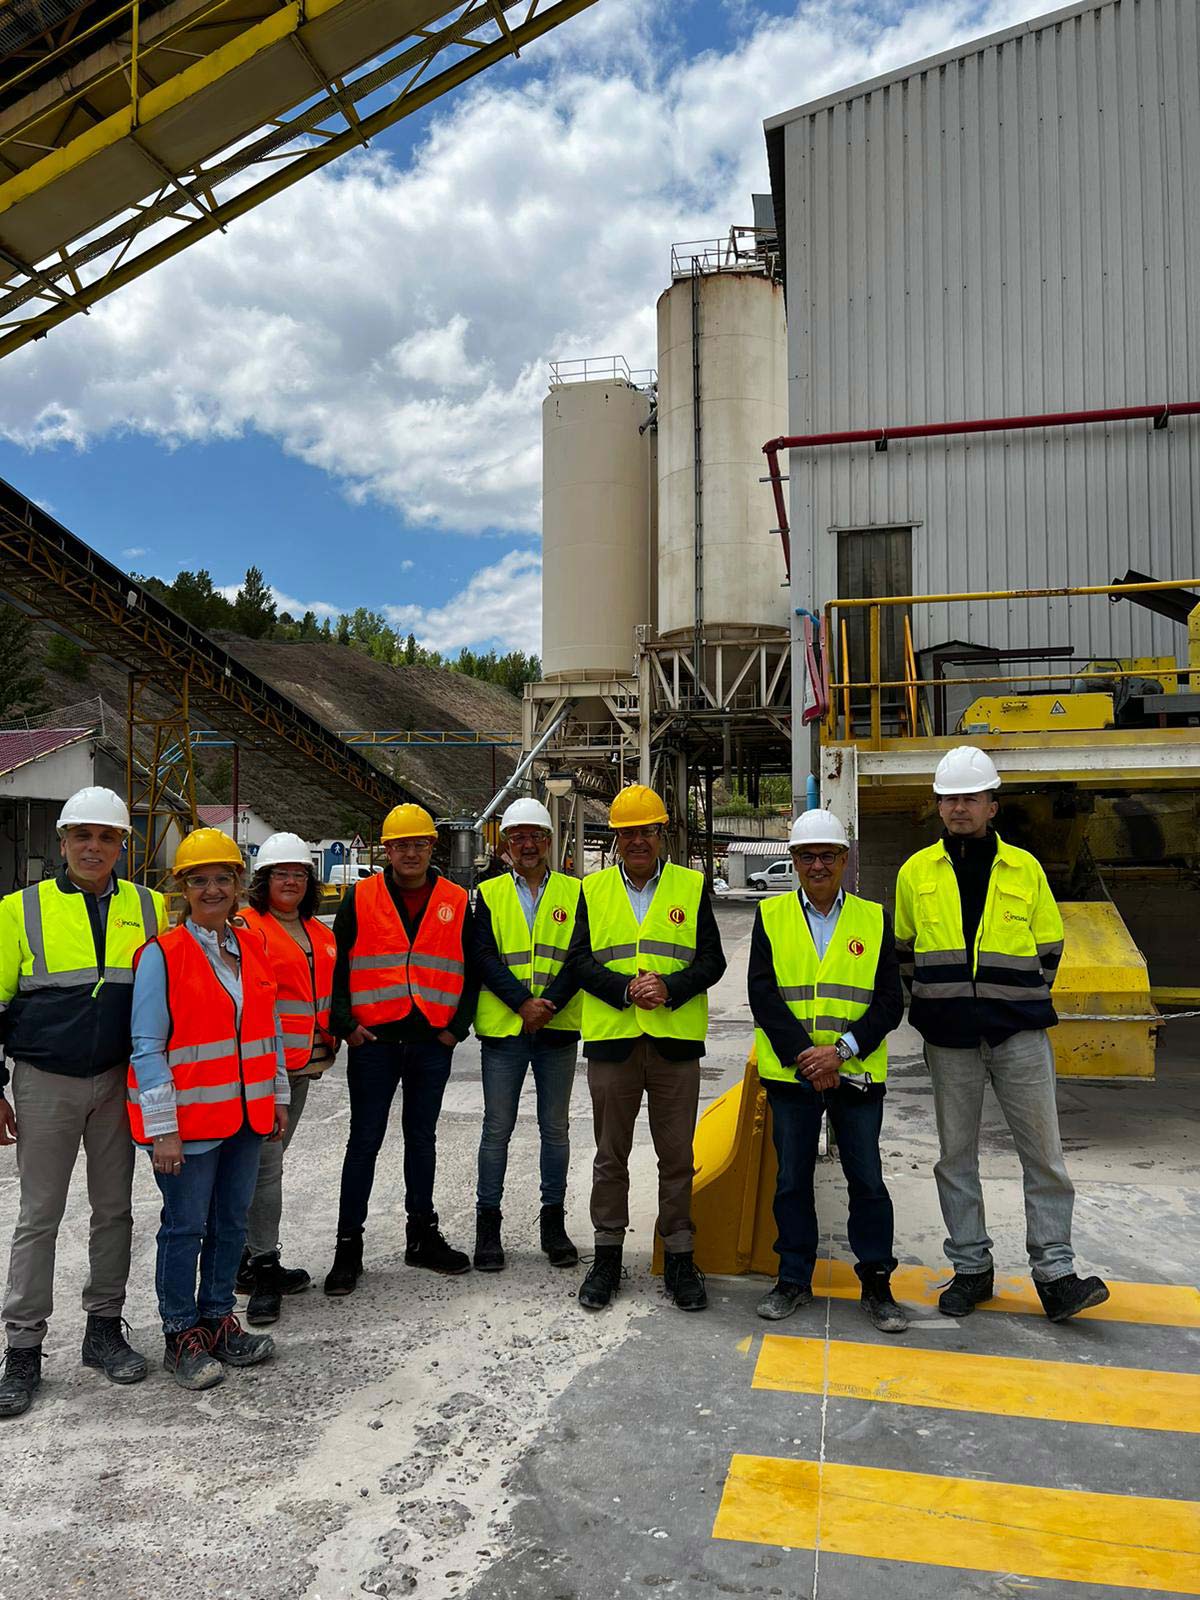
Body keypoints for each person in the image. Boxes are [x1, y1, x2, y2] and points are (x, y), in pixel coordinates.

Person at [894, 746, 1109, 1322]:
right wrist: (942, 1008)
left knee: (1044, 1156)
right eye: (949, 798)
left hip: (1018, 1037)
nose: (958, 807)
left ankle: (1056, 1274)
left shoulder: (1025, 868)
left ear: (993, 804)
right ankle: (971, 1270)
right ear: (938, 806)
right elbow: (907, 954)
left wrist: (1007, 1003)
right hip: (950, 1041)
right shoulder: (916, 873)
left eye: (969, 797)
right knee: (954, 1157)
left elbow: (1049, 951)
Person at [0, 787, 166, 1419]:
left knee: (113, 1210)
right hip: (45, 1080)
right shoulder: (21, 910)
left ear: (123, 845)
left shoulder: (150, 909)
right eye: (83, 837)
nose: (94, 847)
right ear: (63, 842)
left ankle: (103, 1327)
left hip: (118, 1079)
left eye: (107, 837)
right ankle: (23, 1348)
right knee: (37, 1217)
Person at [128, 828, 288, 1391]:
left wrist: (279, 1097)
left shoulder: (252, 947)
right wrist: (162, 1129)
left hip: (246, 1116)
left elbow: (266, 1028)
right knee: (184, 1228)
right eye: (201, 880)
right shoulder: (161, 956)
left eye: (224, 878)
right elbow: (146, 1049)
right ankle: (180, 1335)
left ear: (240, 885)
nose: (213, 888)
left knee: (230, 1224)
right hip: (189, 1126)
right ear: (183, 889)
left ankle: (219, 1319)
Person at [566, 784, 726, 1313]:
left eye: (647, 831)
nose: (638, 840)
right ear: (615, 839)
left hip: (674, 1042)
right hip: (614, 1042)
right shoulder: (592, 890)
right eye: (628, 832)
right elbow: (580, 962)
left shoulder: (690, 885)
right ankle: (607, 1256)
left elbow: (712, 961)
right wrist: (624, 989)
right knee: (610, 1157)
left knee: (676, 1157)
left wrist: (671, 987)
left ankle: (679, 1255)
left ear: (662, 834)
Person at [748, 810, 907, 1332]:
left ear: (844, 859)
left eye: (828, 856)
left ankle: (877, 1283)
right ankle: (793, 1278)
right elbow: (764, 997)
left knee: (867, 1180)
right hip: (794, 1074)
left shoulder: (873, 918)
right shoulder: (770, 917)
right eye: (807, 855)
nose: (818, 865)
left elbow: (888, 1002)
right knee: (792, 1179)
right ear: (792, 860)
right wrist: (806, 1057)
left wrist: (839, 1051)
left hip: (854, 1071)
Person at [324, 804, 479, 1295]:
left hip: (432, 1039)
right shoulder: (360, 896)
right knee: (363, 1142)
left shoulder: (456, 898)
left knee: (422, 1139)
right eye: (400, 844)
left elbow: (472, 966)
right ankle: (348, 1247)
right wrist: (345, 1024)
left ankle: (422, 1237)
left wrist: (458, 1027)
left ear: (433, 847)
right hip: (374, 1042)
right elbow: (337, 964)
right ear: (385, 849)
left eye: (419, 843)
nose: (410, 852)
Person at [472, 797, 581, 1272]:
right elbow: (483, 956)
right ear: (505, 844)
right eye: (518, 837)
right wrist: (522, 1004)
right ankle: (487, 1225)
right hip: (504, 1032)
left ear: (549, 841)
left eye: (535, 836)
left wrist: (546, 1006)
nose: (527, 845)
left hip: (556, 1030)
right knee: (497, 1131)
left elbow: (580, 955)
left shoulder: (576, 893)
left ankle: (552, 1223)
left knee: (554, 1130)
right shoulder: (485, 893)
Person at [235, 832, 337, 1325]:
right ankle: (264, 1268)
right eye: (281, 873)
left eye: (299, 873)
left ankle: (242, 1260)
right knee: (266, 1168)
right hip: (260, 1069)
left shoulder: (319, 932)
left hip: (304, 1064)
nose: (291, 881)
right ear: (263, 880)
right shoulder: (246, 927)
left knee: (266, 1165)